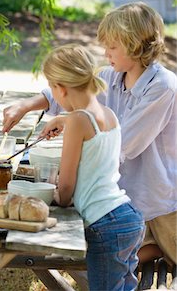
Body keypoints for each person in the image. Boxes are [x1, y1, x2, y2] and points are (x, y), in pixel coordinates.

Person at [3, 2, 176, 270]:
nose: (105, 52)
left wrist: (74, 127)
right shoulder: (114, 76)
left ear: (135, 45)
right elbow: (69, 93)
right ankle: (148, 250)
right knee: (99, 252)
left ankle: (153, 251)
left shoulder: (163, 87)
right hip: (123, 200)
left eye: (113, 46)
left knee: (103, 256)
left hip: (161, 203)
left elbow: (123, 144)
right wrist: (24, 106)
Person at [39, 44, 145, 289]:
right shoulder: (108, 114)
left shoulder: (77, 120)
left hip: (105, 222)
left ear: (60, 89)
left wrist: (55, 198)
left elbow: (66, 187)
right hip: (127, 216)